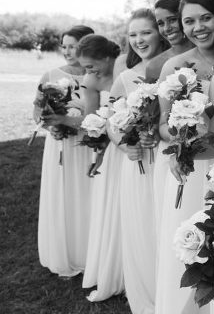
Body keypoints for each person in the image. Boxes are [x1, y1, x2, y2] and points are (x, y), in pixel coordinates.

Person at [155, 0, 214, 314]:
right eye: (189, 21)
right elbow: (161, 125)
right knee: (187, 243)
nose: (198, 27)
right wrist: (183, 134)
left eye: (205, 18)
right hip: (192, 165)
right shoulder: (175, 65)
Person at [108, 9, 166, 314]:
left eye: (145, 32)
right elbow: (110, 121)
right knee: (143, 226)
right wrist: (123, 144)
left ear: (159, 33)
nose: (139, 40)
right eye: (133, 35)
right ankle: (145, 289)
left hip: (165, 161)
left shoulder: (171, 71)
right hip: (139, 162)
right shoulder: (126, 77)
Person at [36, 24, 94, 278]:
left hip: (89, 144)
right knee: (63, 195)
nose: (68, 51)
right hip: (60, 145)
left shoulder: (97, 75)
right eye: (65, 46)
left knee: (88, 196)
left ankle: (91, 252)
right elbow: (37, 111)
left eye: (74, 46)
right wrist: (51, 128)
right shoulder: (50, 75)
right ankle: (66, 251)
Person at [78, 34, 125, 302]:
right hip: (109, 147)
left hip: (128, 141)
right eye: (85, 67)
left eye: (92, 65)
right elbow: (92, 119)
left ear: (108, 58)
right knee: (110, 205)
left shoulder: (123, 66)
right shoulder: (91, 81)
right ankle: (110, 264)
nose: (89, 71)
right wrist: (98, 153)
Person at [145, 0, 195, 82]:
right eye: (161, 23)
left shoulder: (211, 53)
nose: (166, 28)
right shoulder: (154, 66)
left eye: (172, 20)